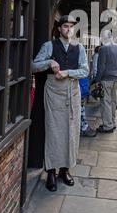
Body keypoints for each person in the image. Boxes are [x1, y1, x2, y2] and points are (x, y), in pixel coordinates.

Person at [32, 15, 89, 192]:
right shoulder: (49, 46)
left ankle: (65, 170)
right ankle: (51, 171)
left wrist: (68, 72)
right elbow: (33, 66)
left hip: (72, 91)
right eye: (65, 26)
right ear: (59, 28)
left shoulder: (79, 48)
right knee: (54, 130)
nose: (68, 29)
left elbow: (85, 70)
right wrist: (49, 62)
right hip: (54, 92)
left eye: (71, 26)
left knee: (71, 131)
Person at [96, 30, 117, 133]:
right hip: (115, 79)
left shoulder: (103, 49)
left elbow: (101, 67)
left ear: (104, 37)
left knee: (105, 102)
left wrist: (97, 80)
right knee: (112, 102)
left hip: (106, 79)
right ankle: (112, 122)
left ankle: (107, 125)